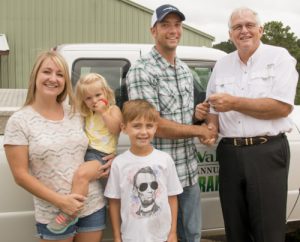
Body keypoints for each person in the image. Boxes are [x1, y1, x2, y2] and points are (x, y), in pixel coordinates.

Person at [197, 7, 299, 242]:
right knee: (235, 228)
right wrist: (208, 124)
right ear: (230, 34)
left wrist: (233, 103)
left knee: (268, 231)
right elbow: (213, 109)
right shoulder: (222, 64)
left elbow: (282, 107)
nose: (244, 31)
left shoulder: (279, 57)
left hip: (267, 151)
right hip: (230, 153)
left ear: (260, 30)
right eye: (237, 27)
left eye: (249, 25)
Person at [126, 4, 216, 241]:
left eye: (177, 25)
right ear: (153, 31)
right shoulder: (142, 70)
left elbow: (180, 119)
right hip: (157, 180)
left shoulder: (185, 70)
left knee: (192, 236)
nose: (173, 30)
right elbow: (155, 125)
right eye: (165, 25)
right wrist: (199, 130)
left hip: (188, 174)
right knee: (161, 237)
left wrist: (198, 115)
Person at [3, 51, 110, 242]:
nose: (53, 79)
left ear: (65, 81)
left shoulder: (77, 113)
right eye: (47, 72)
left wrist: (113, 158)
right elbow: (20, 176)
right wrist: (62, 202)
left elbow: (101, 139)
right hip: (54, 213)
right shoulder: (19, 121)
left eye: (60, 74)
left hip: (91, 205)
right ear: (35, 75)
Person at [47, 73, 122, 234]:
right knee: (79, 175)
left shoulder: (113, 109)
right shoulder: (87, 114)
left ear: (107, 93)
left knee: (81, 174)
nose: (94, 101)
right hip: (87, 153)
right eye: (88, 98)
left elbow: (115, 128)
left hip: (101, 155)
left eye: (98, 95)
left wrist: (104, 112)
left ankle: (70, 212)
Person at [104, 99, 183, 242]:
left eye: (149, 126)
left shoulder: (165, 160)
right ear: (124, 128)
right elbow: (114, 202)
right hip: (131, 237)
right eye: (136, 126)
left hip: (162, 236)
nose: (144, 132)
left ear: (155, 127)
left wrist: (172, 232)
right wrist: (117, 236)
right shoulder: (118, 163)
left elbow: (172, 197)